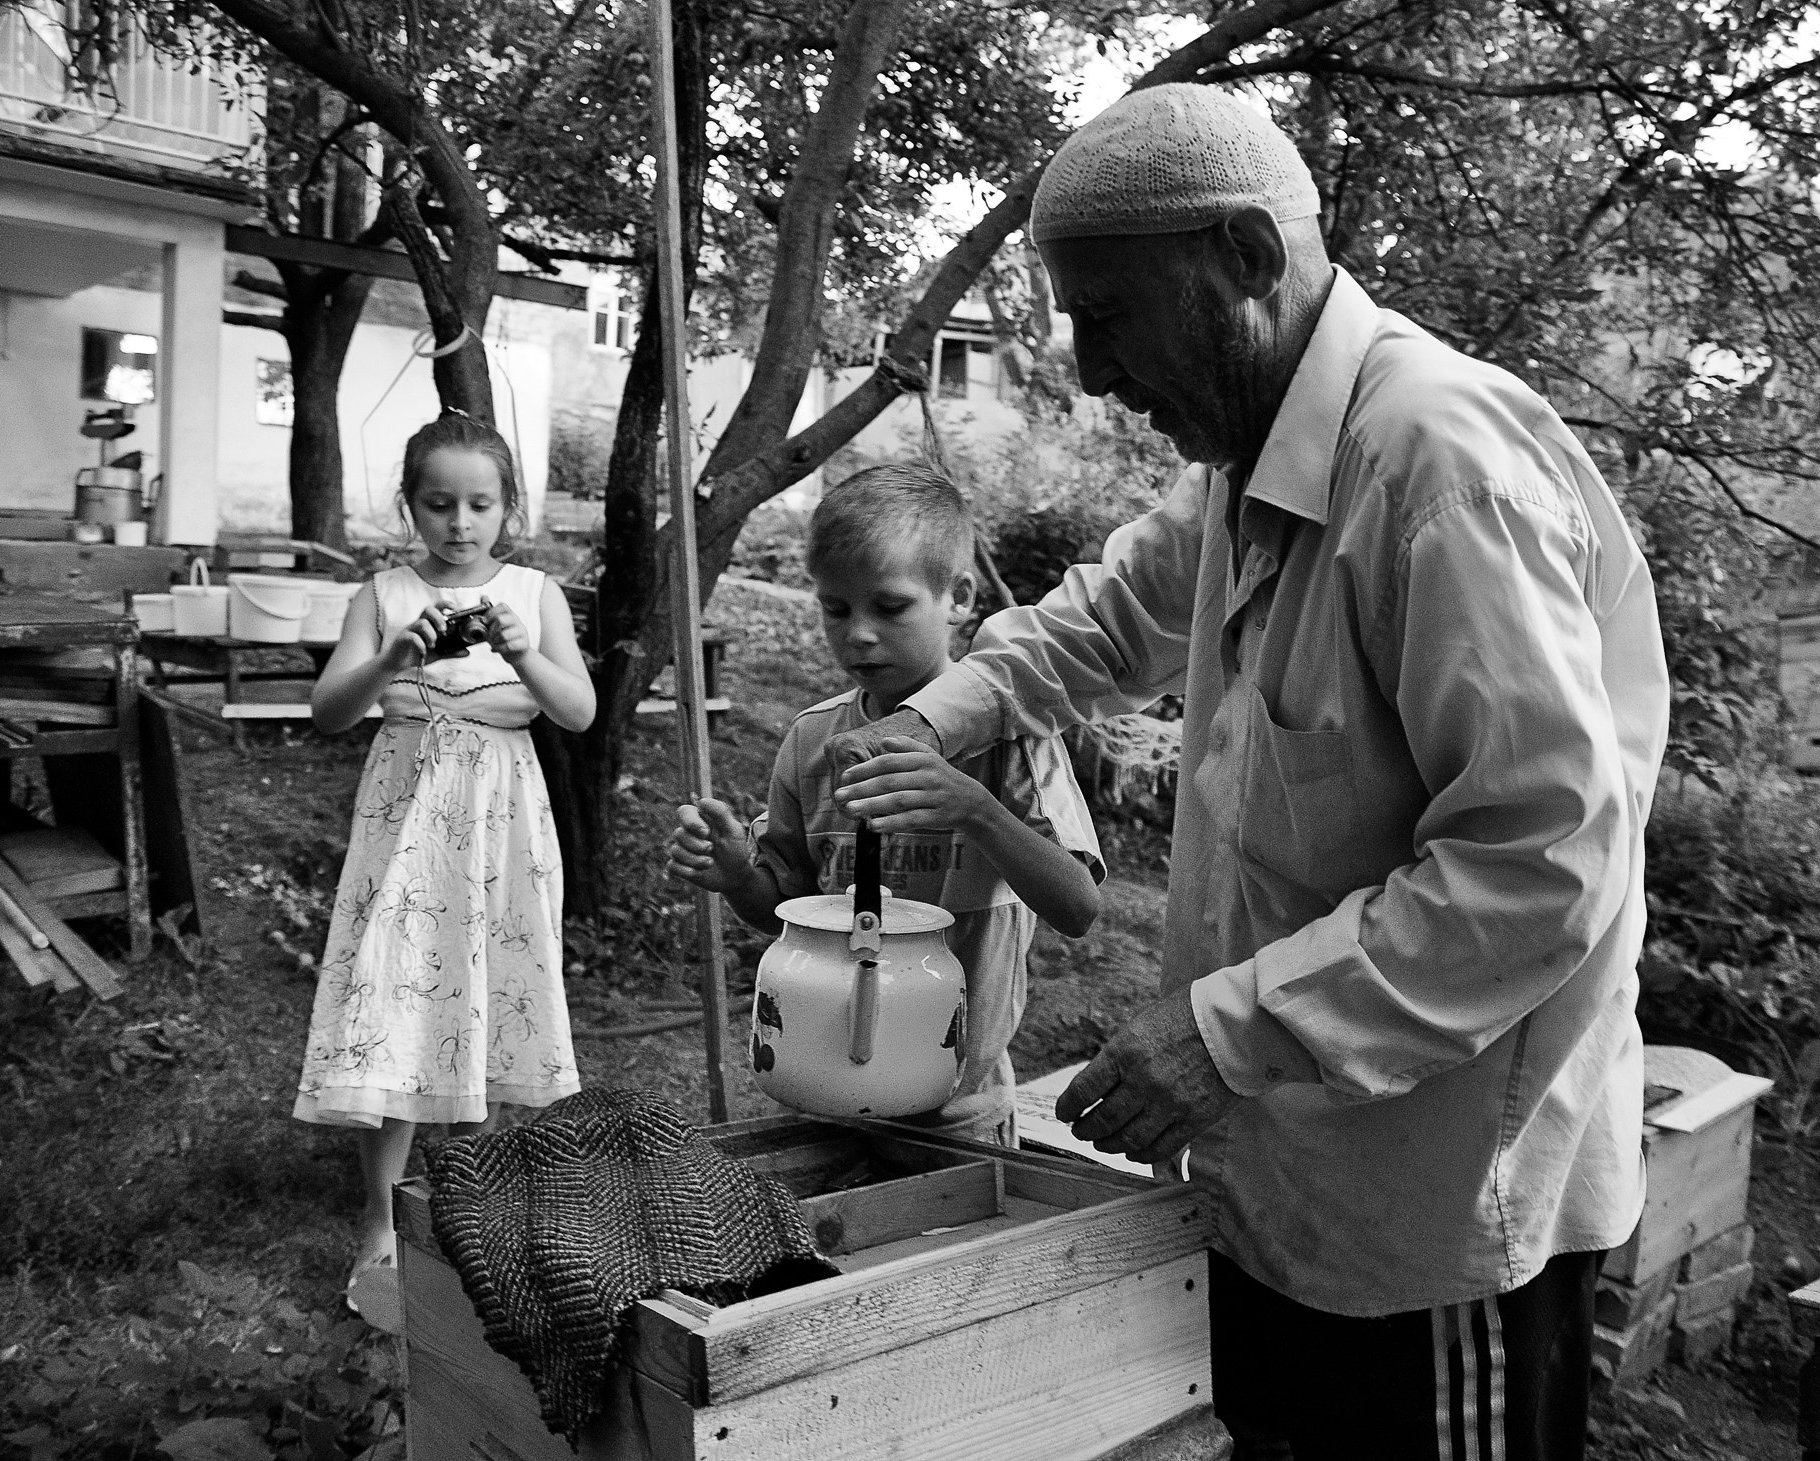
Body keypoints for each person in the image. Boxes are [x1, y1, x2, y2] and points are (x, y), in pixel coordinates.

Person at [828, 85, 1668, 1461]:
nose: (1091, 370)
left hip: (1433, 1223)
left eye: (1106, 314)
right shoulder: (1256, 456)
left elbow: (1541, 866)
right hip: (1285, 1180)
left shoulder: (1438, 464)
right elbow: (1109, 611)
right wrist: (939, 714)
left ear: (1247, 259)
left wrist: (1223, 1032)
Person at [665, 462, 1103, 1145]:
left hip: (961, 1115)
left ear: (959, 596)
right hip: (820, 1101)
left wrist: (974, 808)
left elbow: (1078, 906)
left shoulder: (1011, 741)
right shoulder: (814, 740)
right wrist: (737, 876)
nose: (858, 633)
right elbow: (783, 904)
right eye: (835, 608)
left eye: (889, 607)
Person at [293, 410, 597, 1332]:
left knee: (490, 995)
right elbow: (328, 711)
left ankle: (476, 1206)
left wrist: (522, 651)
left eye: (479, 503)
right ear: (409, 507)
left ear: (510, 508)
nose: (459, 524)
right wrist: (394, 653)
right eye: (438, 503)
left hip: (500, 820)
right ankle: (381, 1223)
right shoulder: (382, 594)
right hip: (407, 816)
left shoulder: (536, 594)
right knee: (395, 1002)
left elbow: (577, 711)